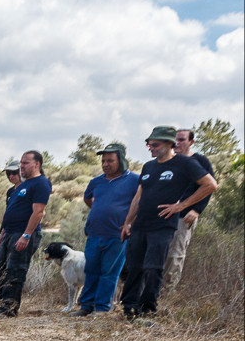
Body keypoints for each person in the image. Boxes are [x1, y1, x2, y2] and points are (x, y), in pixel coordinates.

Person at [120, 126, 217, 320]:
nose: (151, 148)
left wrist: (182, 206)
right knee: (133, 266)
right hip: (141, 224)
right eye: (149, 144)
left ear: (169, 144)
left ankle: (148, 309)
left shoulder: (184, 163)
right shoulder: (148, 166)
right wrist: (127, 222)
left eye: (155, 144)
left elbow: (210, 184)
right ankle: (129, 307)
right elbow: (138, 197)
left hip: (163, 225)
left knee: (153, 267)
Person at [74, 143, 137, 315]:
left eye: (110, 161)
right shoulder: (96, 182)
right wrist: (99, 210)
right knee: (91, 270)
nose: (105, 164)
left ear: (121, 160)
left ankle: (101, 308)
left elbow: (140, 203)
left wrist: (129, 223)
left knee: (109, 272)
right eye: (103, 161)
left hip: (117, 235)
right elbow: (87, 197)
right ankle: (86, 306)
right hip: (94, 234)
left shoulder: (134, 180)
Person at [0, 151, 50, 316]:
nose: (21, 166)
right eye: (21, 163)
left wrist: (26, 235)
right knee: (0, 270)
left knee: (15, 270)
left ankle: (9, 309)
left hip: (22, 233)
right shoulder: (23, 185)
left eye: (25, 163)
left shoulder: (41, 183)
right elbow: (11, 210)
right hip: (9, 233)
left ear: (37, 164)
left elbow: (38, 212)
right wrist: (3, 233)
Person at [161, 127, 216, 291]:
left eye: (181, 139)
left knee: (175, 254)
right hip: (162, 215)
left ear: (191, 142)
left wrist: (197, 210)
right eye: (175, 139)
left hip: (184, 216)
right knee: (158, 251)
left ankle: (166, 292)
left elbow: (209, 187)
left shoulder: (200, 160)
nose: (177, 143)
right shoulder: (168, 161)